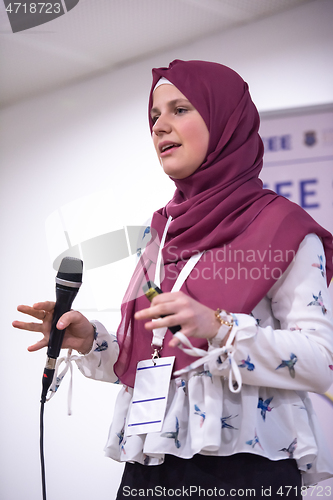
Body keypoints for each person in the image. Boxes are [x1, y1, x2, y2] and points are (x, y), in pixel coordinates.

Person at [13, 60, 333, 499]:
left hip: (241, 467)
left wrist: (220, 327)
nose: (160, 125)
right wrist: (90, 341)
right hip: (150, 464)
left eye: (180, 109)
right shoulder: (163, 231)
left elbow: (319, 362)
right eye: (153, 116)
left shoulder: (281, 226)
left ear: (226, 121)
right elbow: (154, 357)